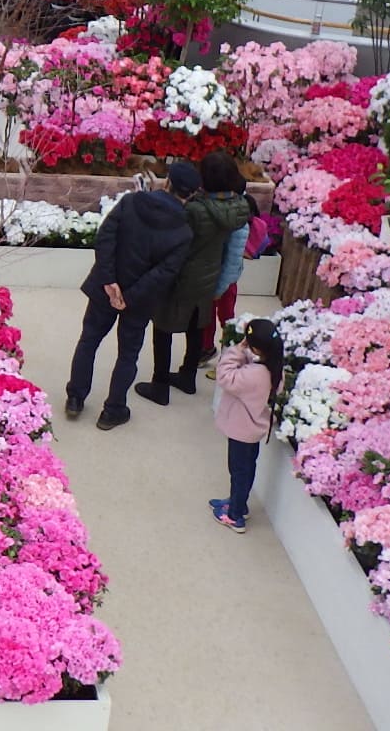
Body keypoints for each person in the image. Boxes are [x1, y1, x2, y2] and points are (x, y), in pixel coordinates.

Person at [65, 168, 193, 431]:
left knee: (89, 340)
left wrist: (110, 282)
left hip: (105, 289)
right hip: (139, 302)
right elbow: (164, 273)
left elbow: (105, 239)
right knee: (128, 355)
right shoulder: (183, 233)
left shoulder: (130, 202)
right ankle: (113, 411)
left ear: (167, 182)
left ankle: (76, 398)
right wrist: (129, 297)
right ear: (190, 195)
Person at [137, 155, 253, 406]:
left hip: (183, 275)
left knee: (163, 327)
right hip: (210, 275)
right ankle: (188, 376)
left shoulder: (195, 210)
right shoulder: (238, 205)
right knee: (196, 326)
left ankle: (159, 385)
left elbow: (175, 240)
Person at [210, 319, 283, 533]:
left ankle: (234, 515)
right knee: (247, 469)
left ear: (257, 348)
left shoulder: (254, 375)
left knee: (238, 471)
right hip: (252, 431)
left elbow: (224, 376)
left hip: (241, 431)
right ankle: (239, 503)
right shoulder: (272, 368)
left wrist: (237, 350)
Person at [199, 161, 257, 371]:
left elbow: (233, 259)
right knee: (206, 316)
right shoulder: (220, 204)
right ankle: (206, 348)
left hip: (224, 278)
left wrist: (220, 286)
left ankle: (229, 355)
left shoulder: (236, 214)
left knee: (226, 317)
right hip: (213, 275)